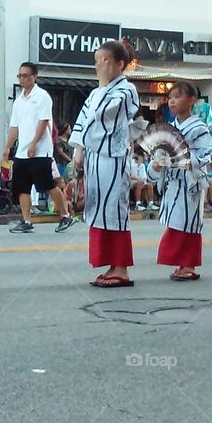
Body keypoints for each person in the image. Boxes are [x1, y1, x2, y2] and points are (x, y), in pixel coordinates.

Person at [70, 40, 140, 288]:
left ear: (120, 64)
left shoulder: (126, 89)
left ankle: (121, 267)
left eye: (105, 61)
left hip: (113, 156)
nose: (99, 66)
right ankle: (111, 264)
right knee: (98, 207)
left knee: (114, 209)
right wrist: (78, 150)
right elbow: (81, 122)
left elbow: (106, 115)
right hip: (94, 157)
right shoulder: (95, 92)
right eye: (97, 61)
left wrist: (102, 85)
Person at [145, 81, 212, 281]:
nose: (172, 101)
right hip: (172, 183)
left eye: (178, 96)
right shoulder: (167, 129)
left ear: (192, 100)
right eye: (170, 97)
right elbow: (157, 158)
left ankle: (188, 265)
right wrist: (155, 166)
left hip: (190, 182)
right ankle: (184, 263)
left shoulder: (199, 128)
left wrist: (181, 160)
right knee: (177, 222)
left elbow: (206, 155)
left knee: (189, 224)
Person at [3, 62, 75, 234]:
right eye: (20, 75)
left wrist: (34, 143)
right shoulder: (19, 100)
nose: (22, 79)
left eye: (26, 75)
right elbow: (14, 127)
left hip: (41, 150)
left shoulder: (42, 96)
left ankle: (65, 215)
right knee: (22, 187)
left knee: (48, 184)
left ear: (35, 76)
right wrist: (8, 147)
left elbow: (43, 121)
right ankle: (26, 220)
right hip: (22, 151)